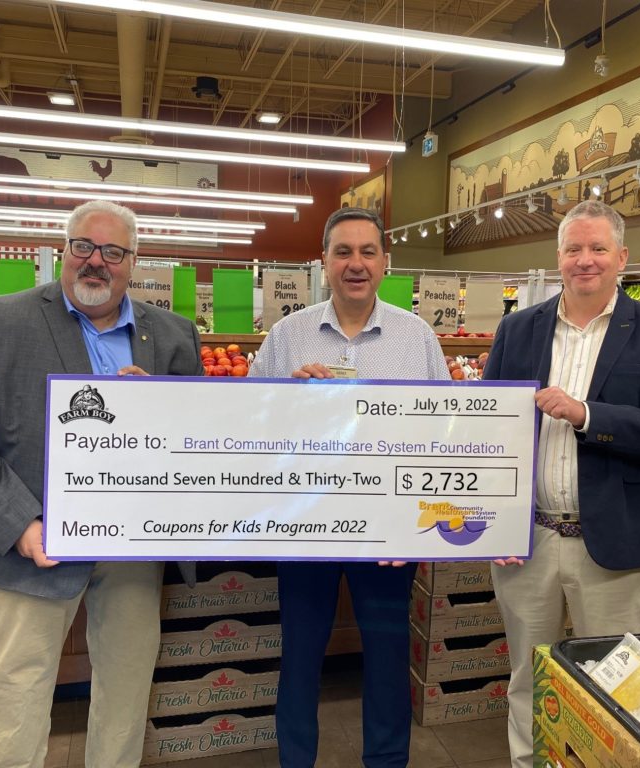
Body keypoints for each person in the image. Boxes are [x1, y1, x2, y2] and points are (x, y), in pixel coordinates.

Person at [0, 200, 204, 768]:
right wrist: (20, 525)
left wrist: (160, 410)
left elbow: (194, 438)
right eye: (83, 246)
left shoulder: (174, 335)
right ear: (64, 250)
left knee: (126, 692)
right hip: (33, 545)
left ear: (134, 260)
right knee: (11, 697)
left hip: (132, 549)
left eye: (113, 251)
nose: (95, 261)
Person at [482, 200, 640, 767]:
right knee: (528, 681)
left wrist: (588, 415)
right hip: (527, 543)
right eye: (574, 249)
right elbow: (485, 430)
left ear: (622, 257)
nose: (585, 260)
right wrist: (492, 523)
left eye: (598, 248)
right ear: (558, 258)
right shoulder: (517, 330)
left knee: (616, 688)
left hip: (614, 547)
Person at [249, 207, 450, 768]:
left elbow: (444, 430)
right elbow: (243, 419)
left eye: (367, 252)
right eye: (343, 252)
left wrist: (421, 522)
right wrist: (287, 394)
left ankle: (386, 762)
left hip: (387, 530)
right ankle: (296, 760)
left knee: (387, 654)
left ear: (386, 262)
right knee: (302, 653)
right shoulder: (288, 336)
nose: (355, 264)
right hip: (305, 522)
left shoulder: (417, 337)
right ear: (324, 263)